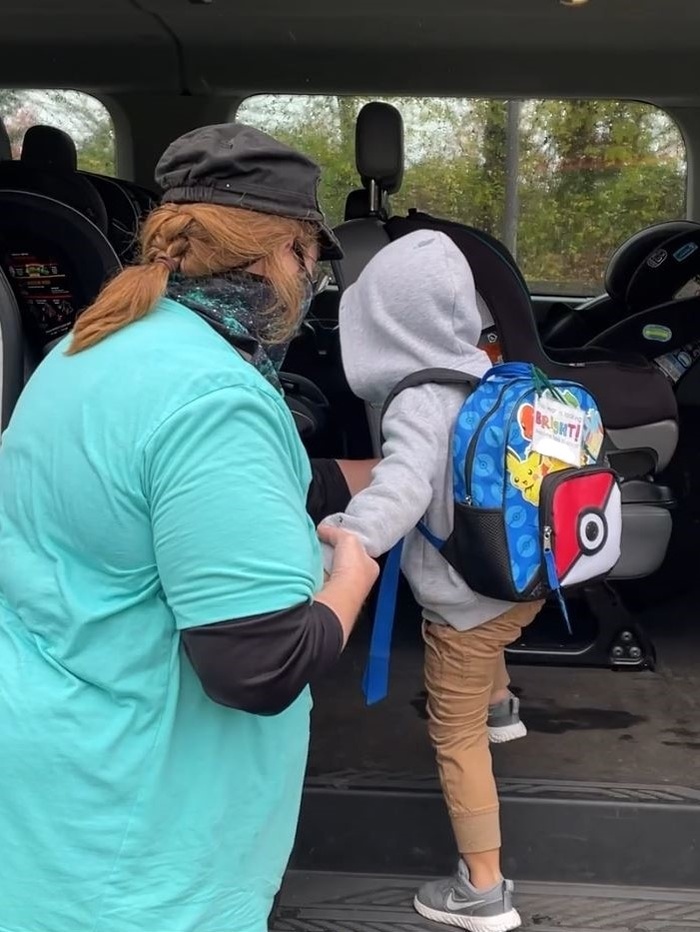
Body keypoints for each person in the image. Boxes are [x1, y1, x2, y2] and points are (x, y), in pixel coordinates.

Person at [0, 123, 379, 932]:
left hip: (58, 793)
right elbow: (260, 666)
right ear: (284, 254)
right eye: (314, 260)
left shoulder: (90, 346)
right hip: (142, 847)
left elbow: (159, 497)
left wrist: (374, 479)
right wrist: (352, 573)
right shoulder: (215, 399)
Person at [320, 230, 544, 931]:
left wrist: (349, 537)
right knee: (491, 632)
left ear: (384, 325)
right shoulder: (495, 377)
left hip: (464, 605)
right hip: (529, 583)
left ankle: (482, 889)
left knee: (455, 736)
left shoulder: (417, 402)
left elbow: (401, 489)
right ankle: (504, 708)